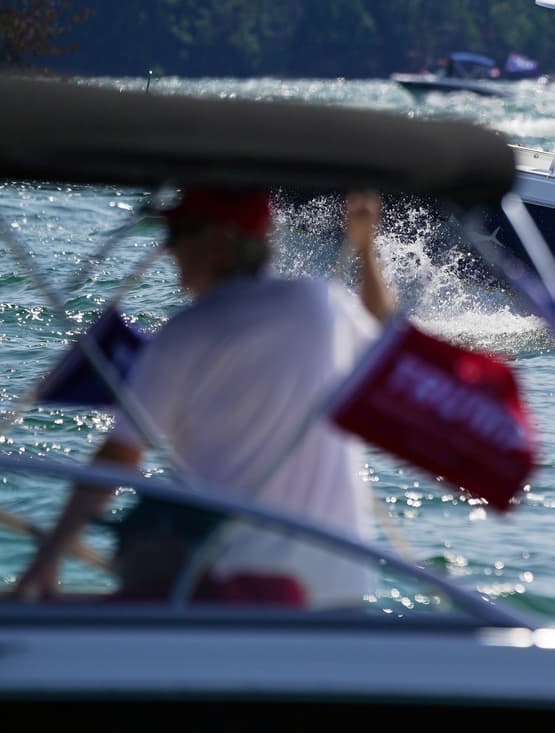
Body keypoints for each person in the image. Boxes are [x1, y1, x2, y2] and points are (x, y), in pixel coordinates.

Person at [12, 187, 396, 608]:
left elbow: (119, 459)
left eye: (179, 231)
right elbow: (387, 337)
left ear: (219, 242)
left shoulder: (185, 335)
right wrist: (365, 251)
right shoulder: (323, 303)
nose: (168, 247)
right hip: (347, 591)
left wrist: (47, 560)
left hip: (241, 593)